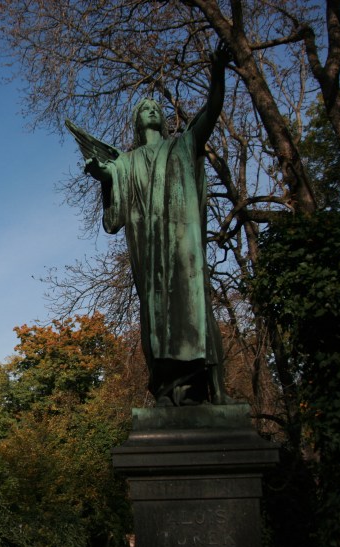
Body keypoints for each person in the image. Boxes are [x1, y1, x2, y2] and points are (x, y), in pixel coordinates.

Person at [67, 44, 232, 406]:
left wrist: (218, 72)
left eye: (156, 108)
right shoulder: (127, 161)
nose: (152, 110)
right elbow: (112, 185)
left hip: (183, 246)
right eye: (144, 108)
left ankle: (205, 386)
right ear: (137, 122)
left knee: (196, 305)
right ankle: (168, 386)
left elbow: (212, 112)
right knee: (155, 312)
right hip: (152, 251)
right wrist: (102, 174)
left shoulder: (184, 145)